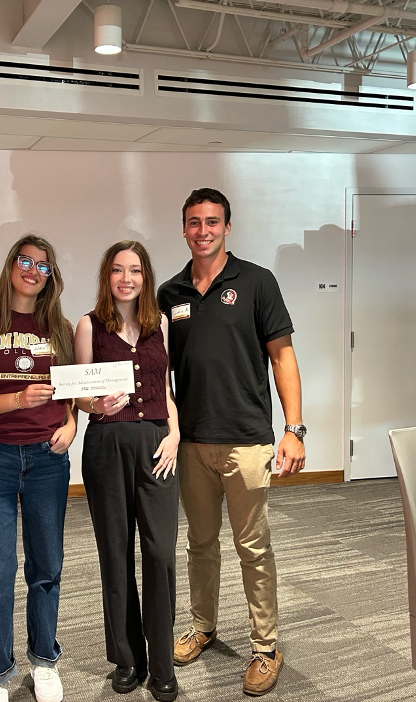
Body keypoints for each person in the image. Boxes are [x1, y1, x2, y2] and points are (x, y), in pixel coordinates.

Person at [157, 188, 306, 696]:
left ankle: (266, 647)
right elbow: (162, 369)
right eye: (194, 222)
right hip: (193, 443)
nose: (203, 230)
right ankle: (203, 625)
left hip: (246, 441)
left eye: (212, 222)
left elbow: (283, 357)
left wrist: (294, 428)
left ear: (227, 227)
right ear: (183, 228)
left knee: (253, 548)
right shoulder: (170, 292)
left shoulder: (257, 282)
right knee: (200, 545)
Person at [0, 234, 77, 702]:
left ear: (50, 277)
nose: (33, 270)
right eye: (25, 261)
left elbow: (70, 392)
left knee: (46, 565)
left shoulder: (60, 328)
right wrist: (17, 398)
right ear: (10, 266)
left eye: (43, 265)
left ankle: (44, 661)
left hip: (48, 459)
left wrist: (71, 425)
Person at [74, 241, 181, 701]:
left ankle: (161, 662)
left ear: (145, 277)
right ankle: (127, 658)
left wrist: (175, 433)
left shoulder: (162, 326)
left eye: (135, 270)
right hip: (106, 444)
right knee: (115, 554)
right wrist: (94, 403)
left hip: (158, 445)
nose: (126, 278)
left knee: (161, 555)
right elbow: (77, 392)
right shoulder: (89, 325)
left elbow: (168, 389)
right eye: (118, 270)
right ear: (107, 275)